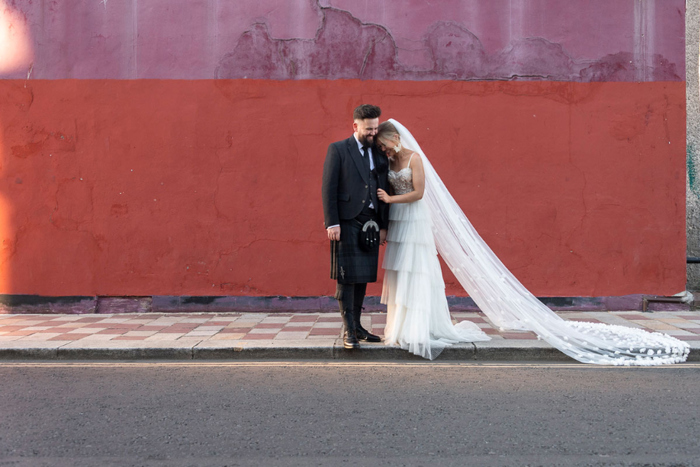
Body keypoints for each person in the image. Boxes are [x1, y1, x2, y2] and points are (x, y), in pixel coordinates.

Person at [375, 119, 689, 365]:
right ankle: (401, 328)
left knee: (419, 271)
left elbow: (419, 193)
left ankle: (421, 326)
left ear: (395, 138)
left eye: (385, 145)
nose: (385, 151)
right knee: (402, 272)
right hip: (399, 222)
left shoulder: (414, 159)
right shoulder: (387, 163)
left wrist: (391, 197)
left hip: (414, 220)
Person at [322, 105, 390, 349]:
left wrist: (384, 225)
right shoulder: (338, 149)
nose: (373, 133)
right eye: (368, 129)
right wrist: (333, 222)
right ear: (355, 126)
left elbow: (385, 189)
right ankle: (348, 330)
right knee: (346, 278)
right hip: (347, 222)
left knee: (361, 277)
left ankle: (359, 327)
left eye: (375, 128)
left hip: (371, 225)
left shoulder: (379, 154)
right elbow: (328, 188)